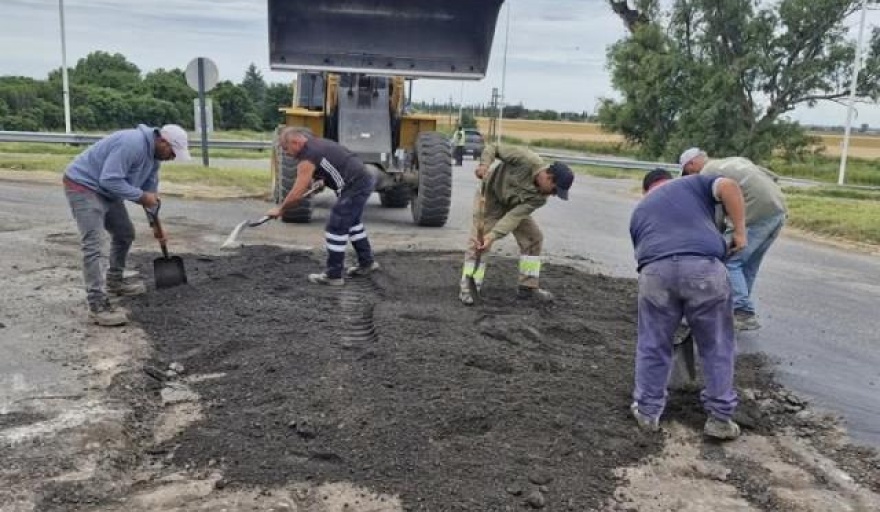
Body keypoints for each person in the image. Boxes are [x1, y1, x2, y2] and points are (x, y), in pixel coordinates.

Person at [629, 168, 747, 440]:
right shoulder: (692, 183)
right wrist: (740, 232)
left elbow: (649, 257)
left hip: (655, 275)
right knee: (717, 344)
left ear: (647, 190)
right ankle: (719, 419)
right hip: (704, 270)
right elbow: (729, 185)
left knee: (653, 342)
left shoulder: (639, 211)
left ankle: (647, 412)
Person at [63, 124, 191, 326]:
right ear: (162, 141)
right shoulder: (132, 144)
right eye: (173, 152)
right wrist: (141, 197)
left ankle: (115, 281)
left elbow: (150, 194)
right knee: (94, 244)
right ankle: (97, 305)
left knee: (124, 234)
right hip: (84, 186)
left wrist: (156, 226)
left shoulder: (154, 159)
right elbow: (110, 179)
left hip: (106, 191)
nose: (173, 157)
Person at [679, 147, 786, 330]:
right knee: (748, 263)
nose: (690, 176)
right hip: (777, 211)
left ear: (691, 164)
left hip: (755, 212)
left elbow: (716, 214)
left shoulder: (707, 174)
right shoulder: (733, 160)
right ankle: (734, 310)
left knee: (728, 261)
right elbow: (772, 177)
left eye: (687, 172)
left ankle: (742, 312)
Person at [458, 144, 574, 305]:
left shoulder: (540, 198)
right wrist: (484, 165)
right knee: (479, 243)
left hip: (514, 206)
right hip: (490, 198)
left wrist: (493, 236)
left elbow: (514, 217)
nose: (553, 195)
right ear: (548, 177)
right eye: (555, 190)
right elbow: (494, 148)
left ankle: (528, 287)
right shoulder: (526, 159)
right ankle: (469, 290)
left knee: (534, 238)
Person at [267, 128, 379, 286]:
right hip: (361, 179)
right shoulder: (316, 145)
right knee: (352, 222)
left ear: (295, 142)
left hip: (355, 184)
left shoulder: (307, 157)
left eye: (286, 148)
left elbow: (297, 192)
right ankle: (367, 263)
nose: (286, 153)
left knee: (336, 225)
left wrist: (280, 209)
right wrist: (322, 180)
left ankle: (333, 275)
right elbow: (334, 164)